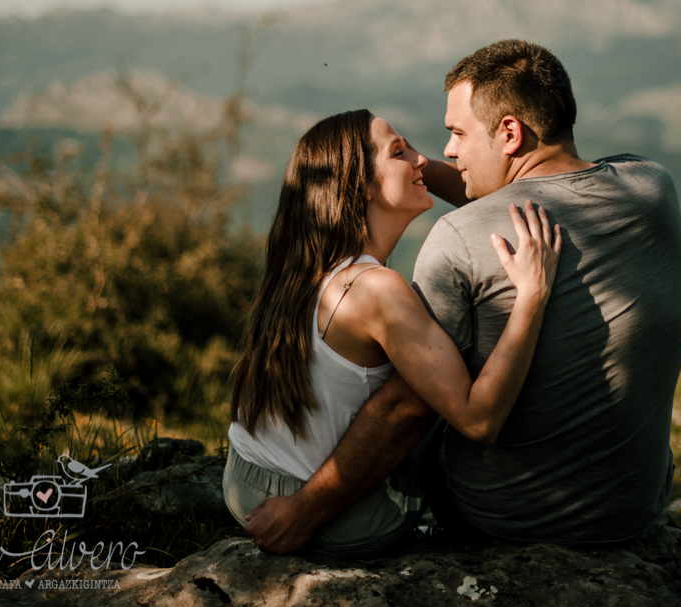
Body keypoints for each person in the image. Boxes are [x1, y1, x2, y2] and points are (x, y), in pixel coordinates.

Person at [243, 39, 681, 553]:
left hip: (502, 516)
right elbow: (543, 186)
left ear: (509, 132)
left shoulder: (457, 240)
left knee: (414, 385)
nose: (446, 153)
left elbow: (408, 409)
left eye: (456, 133)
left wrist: (304, 512)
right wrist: (402, 167)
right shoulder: (652, 186)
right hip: (631, 509)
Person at [222, 109, 561, 558]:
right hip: (336, 521)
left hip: (244, 480)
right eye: (400, 152)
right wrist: (532, 296)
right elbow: (479, 420)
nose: (424, 160)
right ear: (358, 188)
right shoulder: (379, 291)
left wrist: (406, 160)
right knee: (438, 402)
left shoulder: (307, 262)